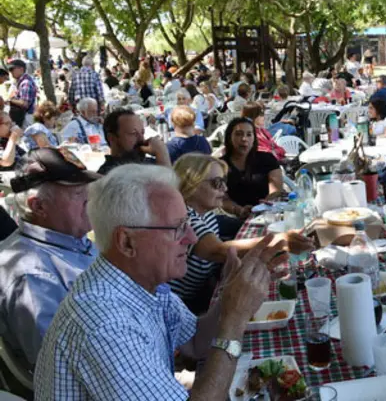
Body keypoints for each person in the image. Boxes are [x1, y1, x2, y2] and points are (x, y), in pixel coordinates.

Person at [34, 164, 289, 400]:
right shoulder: (104, 323)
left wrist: (229, 295)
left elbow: (195, 343)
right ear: (127, 242)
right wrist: (234, 320)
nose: (190, 238)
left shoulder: (142, 282)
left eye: (188, 224)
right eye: (177, 228)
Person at [169, 154, 313, 313]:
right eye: (217, 183)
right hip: (183, 306)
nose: (225, 189)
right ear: (191, 184)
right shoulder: (184, 217)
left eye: (224, 182)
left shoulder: (206, 212)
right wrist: (281, 241)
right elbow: (217, 250)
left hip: (204, 290)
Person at [0, 148, 100, 370]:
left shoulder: (72, 241)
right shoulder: (32, 275)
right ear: (39, 206)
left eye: (87, 191)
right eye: (77, 194)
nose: (90, 199)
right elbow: (62, 366)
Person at [220, 118, 282, 216]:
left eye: (249, 134)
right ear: (229, 137)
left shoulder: (267, 159)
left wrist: (264, 205)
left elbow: (276, 189)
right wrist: (239, 210)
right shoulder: (220, 165)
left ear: (254, 138)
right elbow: (222, 198)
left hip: (268, 212)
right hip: (236, 217)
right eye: (238, 134)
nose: (244, 139)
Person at [98, 108, 171, 175]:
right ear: (112, 138)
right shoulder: (109, 175)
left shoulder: (149, 162)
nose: (141, 139)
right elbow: (168, 188)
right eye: (133, 133)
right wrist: (162, 154)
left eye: (142, 132)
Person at [7, 59, 37, 127]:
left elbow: (24, 103)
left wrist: (11, 99)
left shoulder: (25, 83)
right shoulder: (22, 81)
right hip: (25, 116)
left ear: (21, 69)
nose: (10, 72)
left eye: (12, 69)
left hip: (26, 118)